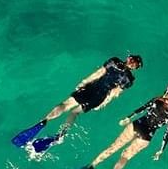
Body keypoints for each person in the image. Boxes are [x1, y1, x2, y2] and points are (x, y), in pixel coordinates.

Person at [12, 54, 143, 152]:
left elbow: (98, 74)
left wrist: (83, 82)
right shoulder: (128, 79)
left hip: (91, 89)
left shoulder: (114, 62)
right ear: (135, 68)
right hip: (99, 96)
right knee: (74, 112)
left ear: (128, 58)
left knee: (66, 104)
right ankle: (60, 136)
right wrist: (103, 104)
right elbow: (114, 93)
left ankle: (43, 122)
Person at [77, 86, 168, 169]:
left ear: (165, 97)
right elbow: (167, 134)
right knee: (125, 157)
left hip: (137, 125)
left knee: (114, 147)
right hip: (146, 137)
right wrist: (160, 151)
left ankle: (90, 167)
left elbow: (142, 109)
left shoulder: (157, 101)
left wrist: (128, 118)